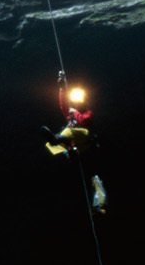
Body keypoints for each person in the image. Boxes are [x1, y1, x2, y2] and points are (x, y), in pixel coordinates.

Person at [44, 72, 108, 213]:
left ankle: (100, 204)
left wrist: (75, 113)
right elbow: (63, 105)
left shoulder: (87, 113)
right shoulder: (72, 112)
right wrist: (62, 87)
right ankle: (67, 151)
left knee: (68, 133)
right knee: (53, 143)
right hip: (75, 145)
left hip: (85, 139)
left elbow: (85, 120)